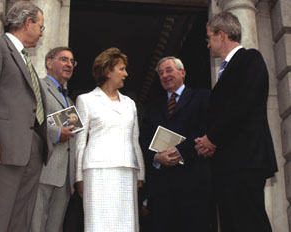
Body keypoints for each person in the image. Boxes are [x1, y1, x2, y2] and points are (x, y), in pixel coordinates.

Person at [0, 1, 50, 232]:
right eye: (41, 27)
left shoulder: (26, 59)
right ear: (28, 23)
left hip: (31, 150)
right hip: (2, 149)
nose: (41, 33)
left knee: (19, 222)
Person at [195, 12, 278, 232]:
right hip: (227, 165)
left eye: (209, 38)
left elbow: (242, 105)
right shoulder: (226, 71)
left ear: (221, 35)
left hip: (246, 162)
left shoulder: (251, 59)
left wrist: (212, 138)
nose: (208, 45)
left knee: (250, 223)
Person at [75, 47, 145, 232]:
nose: (126, 74)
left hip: (126, 170)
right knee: (99, 223)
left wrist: (141, 173)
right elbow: (80, 142)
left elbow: (135, 139)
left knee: (127, 224)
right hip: (98, 171)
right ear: (107, 71)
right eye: (121, 69)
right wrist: (78, 177)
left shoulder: (130, 104)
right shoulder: (86, 100)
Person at [139, 57, 212, 232]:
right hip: (161, 191)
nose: (165, 75)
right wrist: (156, 156)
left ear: (182, 73)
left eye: (169, 70)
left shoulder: (203, 97)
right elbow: (143, 140)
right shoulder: (152, 107)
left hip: (194, 186)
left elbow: (207, 130)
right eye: (161, 73)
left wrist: (180, 152)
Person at [31, 47, 77, 232]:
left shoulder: (70, 101)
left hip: (65, 177)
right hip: (44, 168)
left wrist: (72, 177)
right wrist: (57, 134)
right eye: (64, 59)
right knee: (36, 225)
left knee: (55, 228)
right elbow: (30, 119)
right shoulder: (38, 86)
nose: (69, 64)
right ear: (49, 62)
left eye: (72, 62)